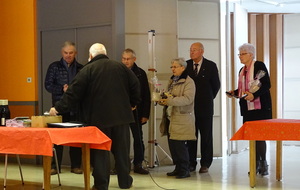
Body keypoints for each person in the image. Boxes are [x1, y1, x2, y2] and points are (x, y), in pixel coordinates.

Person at [49, 43, 140, 190]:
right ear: (105, 53)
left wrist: (58, 108)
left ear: (91, 56)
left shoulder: (87, 70)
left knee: (100, 154)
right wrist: (133, 102)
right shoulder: (120, 67)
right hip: (122, 117)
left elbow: (73, 93)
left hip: (99, 120)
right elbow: (135, 84)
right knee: (122, 152)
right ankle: (125, 182)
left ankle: (101, 184)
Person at [226, 43, 272, 176]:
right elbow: (243, 90)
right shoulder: (242, 70)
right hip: (247, 108)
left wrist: (254, 95)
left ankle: (263, 164)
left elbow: (266, 84)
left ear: (251, 54)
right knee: (252, 137)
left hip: (261, 107)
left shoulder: (259, 65)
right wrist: (234, 92)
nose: (240, 56)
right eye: (239, 54)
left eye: (242, 54)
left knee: (260, 137)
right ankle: (255, 164)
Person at [44, 41, 83, 175]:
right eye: (66, 53)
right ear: (62, 53)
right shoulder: (54, 67)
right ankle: (55, 166)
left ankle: (76, 166)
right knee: (56, 140)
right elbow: (48, 85)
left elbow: (84, 88)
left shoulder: (81, 68)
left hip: (76, 108)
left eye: (71, 53)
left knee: (76, 140)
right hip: (58, 108)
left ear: (75, 53)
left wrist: (73, 90)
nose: (68, 55)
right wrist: (62, 89)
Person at [158, 58, 196, 179]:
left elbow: (187, 99)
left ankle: (185, 169)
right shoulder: (172, 80)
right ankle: (178, 168)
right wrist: (163, 99)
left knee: (180, 145)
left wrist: (170, 100)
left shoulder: (189, 82)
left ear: (182, 68)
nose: (172, 69)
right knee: (173, 144)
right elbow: (170, 95)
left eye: (175, 66)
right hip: (171, 116)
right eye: (172, 67)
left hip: (182, 117)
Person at [186, 42, 220, 173]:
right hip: (189, 107)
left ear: (202, 51)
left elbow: (216, 85)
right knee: (191, 136)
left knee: (206, 135)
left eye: (194, 50)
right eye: (190, 50)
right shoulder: (187, 65)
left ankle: (205, 163)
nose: (191, 52)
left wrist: (208, 98)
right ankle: (191, 162)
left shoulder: (210, 65)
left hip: (205, 107)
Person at [121, 48, 151, 174]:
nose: (126, 61)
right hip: (121, 111)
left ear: (134, 59)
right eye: (124, 59)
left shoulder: (140, 73)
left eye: (128, 59)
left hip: (136, 111)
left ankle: (138, 164)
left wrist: (145, 114)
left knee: (138, 138)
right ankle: (122, 165)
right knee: (121, 138)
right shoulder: (118, 71)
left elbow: (146, 95)